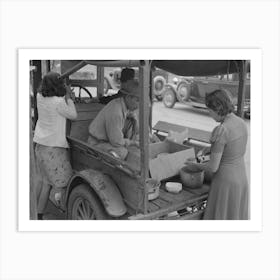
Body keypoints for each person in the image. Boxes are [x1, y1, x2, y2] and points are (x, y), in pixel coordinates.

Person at [184, 89, 249, 220]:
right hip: (241, 179)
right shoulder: (240, 122)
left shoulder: (221, 130)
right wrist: (211, 148)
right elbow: (231, 147)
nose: (209, 114)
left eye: (209, 110)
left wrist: (195, 165)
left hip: (225, 183)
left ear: (218, 109)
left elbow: (213, 167)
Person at [33, 71, 77, 220]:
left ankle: (37, 214)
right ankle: (66, 211)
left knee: (45, 182)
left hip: (40, 145)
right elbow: (74, 115)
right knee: (64, 181)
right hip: (54, 148)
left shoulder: (40, 97)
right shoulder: (58, 102)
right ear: (58, 85)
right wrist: (69, 99)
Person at [87, 79, 140, 160]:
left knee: (132, 148)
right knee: (122, 152)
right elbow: (117, 142)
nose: (139, 105)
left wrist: (135, 121)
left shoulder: (124, 105)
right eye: (137, 100)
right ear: (128, 97)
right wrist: (132, 143)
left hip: (107, 141)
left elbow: (131, 115)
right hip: (97, 143)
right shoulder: (116, 112)